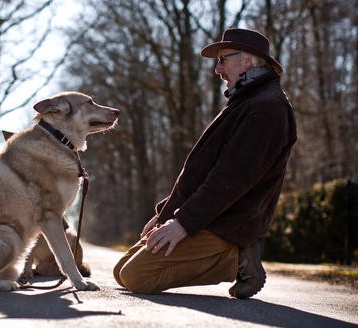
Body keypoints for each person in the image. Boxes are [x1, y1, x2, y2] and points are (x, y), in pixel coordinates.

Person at [113, 28, 297, 299]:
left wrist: (183, 223)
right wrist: (166, 214)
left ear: (247, 61)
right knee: (121, 271)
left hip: (225, 225)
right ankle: (232, 255)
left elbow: (231, 179)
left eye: (223, 60)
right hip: (206, 218)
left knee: (136, 276)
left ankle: (237, 259)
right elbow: (202, 171)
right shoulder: (244, 102)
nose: (217, 69)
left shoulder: (267, 108)